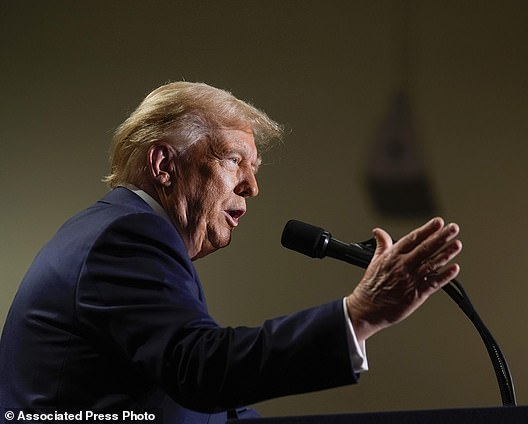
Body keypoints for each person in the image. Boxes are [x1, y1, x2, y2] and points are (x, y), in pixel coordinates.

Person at [0, 82, 462, 423]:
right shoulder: (126, 237)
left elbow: (199, 397)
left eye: (254, 167)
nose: (252, 186)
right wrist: (358, 314)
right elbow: (201, 368)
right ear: (164, 165)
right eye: (234, 160)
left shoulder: (119, 235)